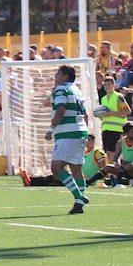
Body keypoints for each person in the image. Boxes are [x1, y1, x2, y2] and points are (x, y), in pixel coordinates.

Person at [44, 65, 90, 214]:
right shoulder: (77, 90)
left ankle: (79, 197)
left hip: (68, 133)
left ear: (65, 76)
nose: (55, 76)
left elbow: (60, 109)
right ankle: (79, 204)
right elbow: (86, 115)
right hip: (80, 131)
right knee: (76, 168)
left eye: (58, 73)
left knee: (56, 168)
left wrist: (51, 129)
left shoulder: (61, 89)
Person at [99, 76, 131, 164]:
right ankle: (112, 174)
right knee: (108, 153)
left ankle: (116, 173)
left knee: (114, 154)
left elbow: (128, 111)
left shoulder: (118, 96)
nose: (107, 86)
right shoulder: (103, 98)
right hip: (106, 129)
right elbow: (105, 113)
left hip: (117, 129)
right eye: (105, 84)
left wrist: (110, 113)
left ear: (114, 85)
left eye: (109, 84)